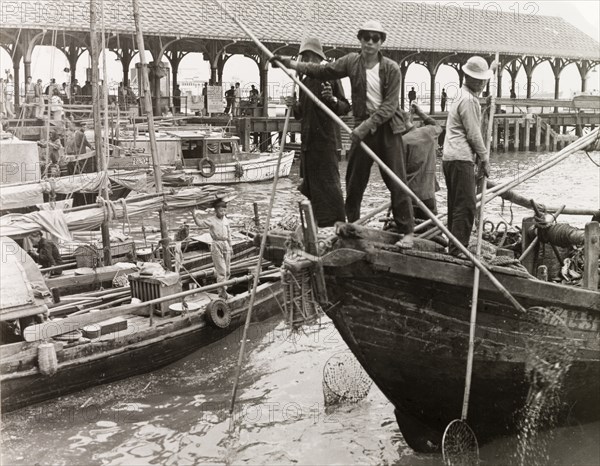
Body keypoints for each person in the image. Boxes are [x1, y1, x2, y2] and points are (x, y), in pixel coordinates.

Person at [274, 20, 414, 247]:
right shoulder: (351, 62)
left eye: (375, 38)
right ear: (359, 39)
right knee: (354, 180)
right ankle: (354, 224)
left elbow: (389, 107)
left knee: (396, 180)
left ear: (381, 42)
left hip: (387, 128)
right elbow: (321, 70)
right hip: (362, 127)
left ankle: (407, 232)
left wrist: (364, 127)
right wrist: (290, 64)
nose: (370, 42)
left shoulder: (391, 68)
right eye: (366, 37)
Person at [289, 37, 351, 227]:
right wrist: (294, 106)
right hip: (308, 144)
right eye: (304, 57)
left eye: (308, 57)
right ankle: (319, 223)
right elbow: (302, 114)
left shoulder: (329, 77)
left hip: (325, 142)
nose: (306, 61)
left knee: (329, 185)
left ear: (316, 57)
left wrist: (331, 99)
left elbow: (344, 107)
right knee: (312, 186)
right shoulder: (304, 81)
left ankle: (337, 223)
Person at [442, 55, 492, 258]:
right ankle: (458, 249)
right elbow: (473, 134)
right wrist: (485, 158)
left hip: (450, 158)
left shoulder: (461, 95)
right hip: (461, 158)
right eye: (478, 79)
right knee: (467, 205)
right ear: (467, 77)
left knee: (455, 205)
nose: (482, 83)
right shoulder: (470, 100)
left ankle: (454, 246)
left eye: (484, 80)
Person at [402, 102, 443, 221]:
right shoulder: (427, 132)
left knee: (410, 230)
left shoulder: (401, 142)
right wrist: (420, 113)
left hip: (409, 195)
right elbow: (437, 125)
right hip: (428, 193)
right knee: (432, 230)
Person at [192, 199, 233, 299]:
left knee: (227, 271)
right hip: (216, 244)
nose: (223, 213)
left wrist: (230, 246)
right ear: (216, 210)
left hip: (225, 244)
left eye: (224, 211)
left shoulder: (225, 220)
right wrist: (194, 215)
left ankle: (224, 290)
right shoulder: (211, 220)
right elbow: (200, 224)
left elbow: (229, 233)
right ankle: (222, 293)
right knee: (221, 271)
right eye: (220, 211)